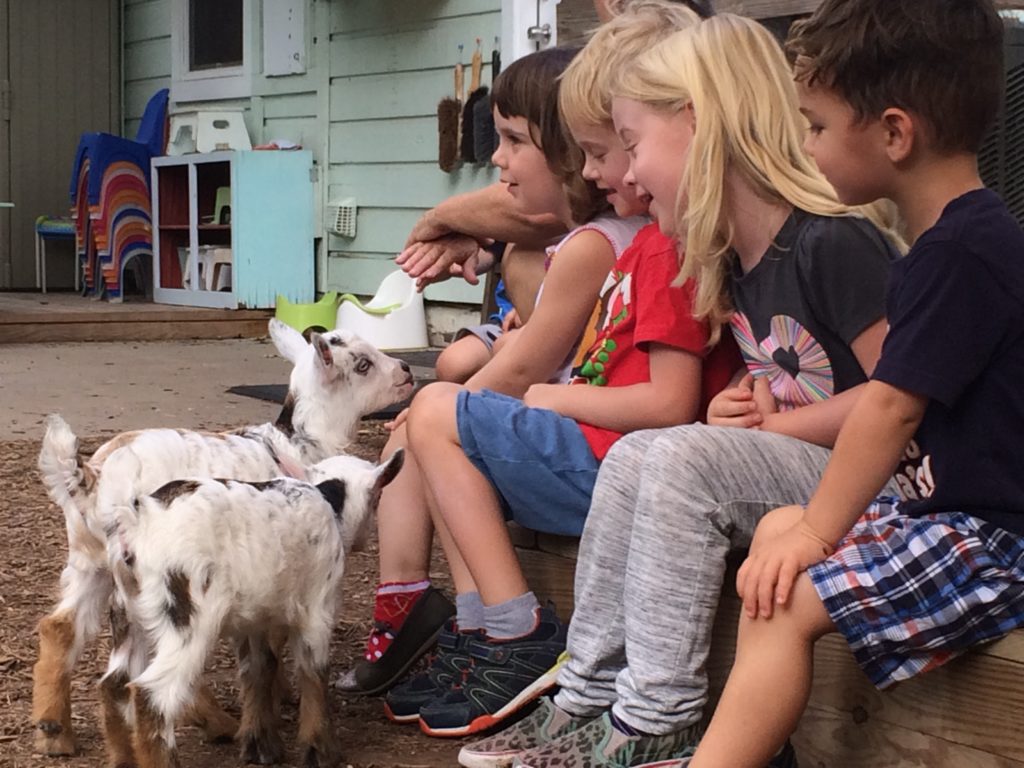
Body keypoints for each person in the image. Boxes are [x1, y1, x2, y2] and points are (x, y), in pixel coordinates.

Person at [456, 11, 905, 768]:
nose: (626, 175)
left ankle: (660, 716)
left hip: (876, 482)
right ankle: (591, 696)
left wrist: (767, 433)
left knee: (678, 460)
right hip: (802, 466)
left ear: (697, 125)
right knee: (643, 455)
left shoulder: (833, 243)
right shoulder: (734, 259)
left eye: (632, 145)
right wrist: (742, 416)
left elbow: (901, 397)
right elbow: (769, 393)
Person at [688, 2, 1024, 766]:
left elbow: (889, 405)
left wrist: (820, 532)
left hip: (997, 540)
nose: (805, 145)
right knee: (772, 537)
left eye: (816, 125)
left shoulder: (965, 251)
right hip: (942, 516)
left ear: (896, 133)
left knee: (784, 597)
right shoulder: (939, 248)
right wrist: (800, 529)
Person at [396, 11, 745, 739]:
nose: (592, 171)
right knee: (440, 420)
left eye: (607, 149)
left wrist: (546, 394)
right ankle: (481, 630)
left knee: (435, 411)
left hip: (610, 465)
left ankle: (513, 634)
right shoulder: (645, 243)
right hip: (602, 457)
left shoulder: (660, 248)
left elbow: (670, 400)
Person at [338, 45, 649, 697]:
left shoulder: (593, 247)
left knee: (430, 426)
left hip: (599, 455)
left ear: (568, 155)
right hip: (592, 440)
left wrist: (428, 416)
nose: (498, 159)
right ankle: (448, 618)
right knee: (432, 420)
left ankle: (487, 627)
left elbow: (524, 368)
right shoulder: (587, 240)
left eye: (513, 140)